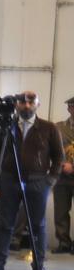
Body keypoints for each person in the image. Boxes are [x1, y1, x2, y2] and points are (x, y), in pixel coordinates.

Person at [0, 91, 62, 270]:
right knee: (5, 223)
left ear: (37, 104)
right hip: (9, 180)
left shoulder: (49, 128)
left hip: (37, 181)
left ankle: (38, 267)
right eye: (22, 102)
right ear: (16, 105)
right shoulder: (6, 125)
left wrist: (50, 181)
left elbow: (59, 158)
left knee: (37, 225)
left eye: (31, 102)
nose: (27, 105)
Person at [55, 94, 74, 254]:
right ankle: (64, 242)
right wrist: (61, 165)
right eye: (72, 106)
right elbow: (52, 149)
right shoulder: (58, 127)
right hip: (62, 176)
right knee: (60, 211)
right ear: (69, 109)